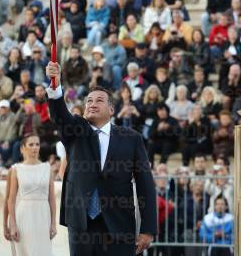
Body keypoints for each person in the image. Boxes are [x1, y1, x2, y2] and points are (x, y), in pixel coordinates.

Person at [45, 61, 157, 255]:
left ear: (111, 110)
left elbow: (145, 184)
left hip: (119, 226)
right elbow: (60, 115)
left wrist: (148, 229)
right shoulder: (76, 131)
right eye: (89, 101)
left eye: (99, 100)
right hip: (81, 225)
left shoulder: (132, 139)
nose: (92, 104)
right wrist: (55, 85)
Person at [8, 133, 57, 255]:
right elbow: (11, 199)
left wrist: (53, 223)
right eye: (31, 144)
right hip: (23, 217)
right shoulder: (16, 169)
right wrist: (12, 224)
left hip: (43, 217)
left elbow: (51, 198)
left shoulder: (47, 168)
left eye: (37, 144)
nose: (35, 147)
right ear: (23, 148)